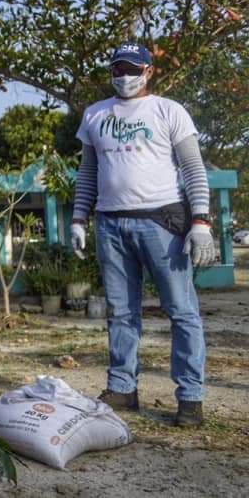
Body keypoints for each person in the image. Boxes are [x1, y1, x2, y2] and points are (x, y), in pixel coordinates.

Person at [71, 41, 213, 428]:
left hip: (162, 221)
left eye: (132, 69)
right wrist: (78, 219)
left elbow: (193, 169)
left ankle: (190, 397)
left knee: (181, 311)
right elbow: (88, 173)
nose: (124, 76)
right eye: (118, 69)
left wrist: (201, 221)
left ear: (149, 71)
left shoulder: (169, 111)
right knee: (120, 313)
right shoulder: (95, 115)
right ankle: (122, 388)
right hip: (111, 224)